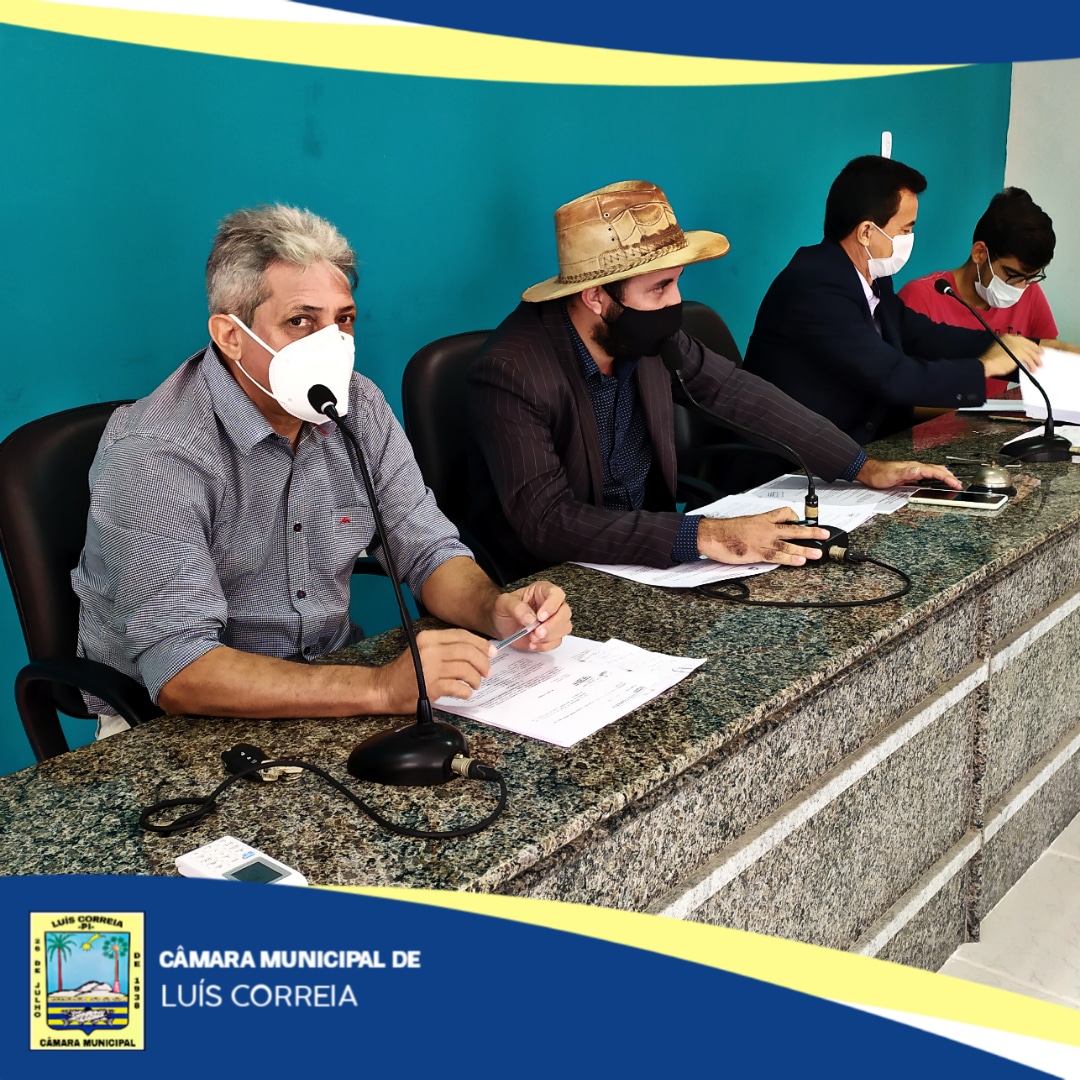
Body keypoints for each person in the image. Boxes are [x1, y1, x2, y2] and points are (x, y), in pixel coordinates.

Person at [73, 204, 571, 737]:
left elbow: (426, 549)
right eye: (300, 321)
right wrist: (380, 688)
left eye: (343, 320)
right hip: (171, 724)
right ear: (230, 336)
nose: (330, 343)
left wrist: (495, 609)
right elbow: (181, 670)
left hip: (328, 681)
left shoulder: (359, 405)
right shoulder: (155, 451)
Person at [466, 179, 961, 582]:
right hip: (554, 583)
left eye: (677, 282)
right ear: (596, 297)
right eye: (659, 287)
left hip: (649, 565)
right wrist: (708, 535)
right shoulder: (513, 372)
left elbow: (737, 392)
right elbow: (547, 521)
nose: (675, 303)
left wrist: (862, 467)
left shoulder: (648, 335)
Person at [741, 156, 1044, 448]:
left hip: (851, 446)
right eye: (905, 229)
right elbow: (892, 376)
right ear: (866, 232)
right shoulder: (815, 286)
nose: (910, 237)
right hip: (788, 461)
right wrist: (983, 368)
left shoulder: (873, 278)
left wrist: (1007, 350)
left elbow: (924, 336)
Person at [898, 186, 1079, 398]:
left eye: (1030, 278)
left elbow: (1050, 354)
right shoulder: (920, 297)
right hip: (940, 417)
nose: (1020, 287)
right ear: (980, 253)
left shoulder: (1029, 292)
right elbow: (902, 395)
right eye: (1012, 274)